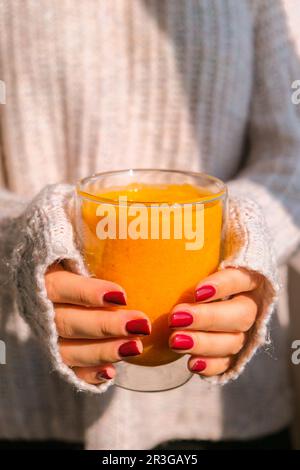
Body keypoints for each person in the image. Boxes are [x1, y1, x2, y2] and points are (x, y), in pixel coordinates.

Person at [0, 0, 299, 450]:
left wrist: (246, 235)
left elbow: (290, 156)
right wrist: (24, 239)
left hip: (224, 412)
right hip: (28, 398)